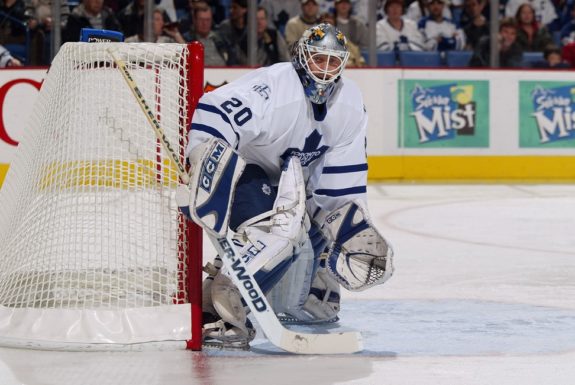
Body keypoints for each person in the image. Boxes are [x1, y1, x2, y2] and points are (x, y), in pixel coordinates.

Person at [181, 23, 394, 347]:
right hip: (242, 169)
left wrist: (347, 227)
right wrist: (205, 162)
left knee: (322, 228)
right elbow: (214, 112)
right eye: (318, 59)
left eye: (333, 62)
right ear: (302, 58)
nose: (324, 69)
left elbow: (337, 188)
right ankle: (218, 311)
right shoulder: (274, 87)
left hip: (290, 181)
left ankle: (307, 295)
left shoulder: (349, 104)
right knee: (279, 233)